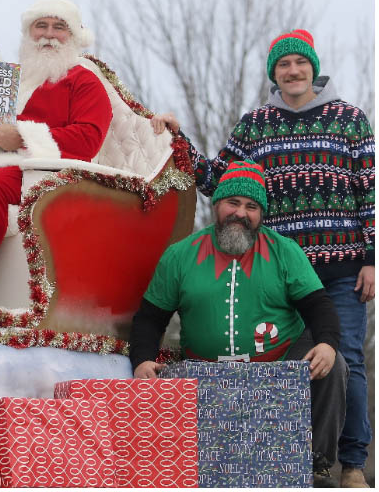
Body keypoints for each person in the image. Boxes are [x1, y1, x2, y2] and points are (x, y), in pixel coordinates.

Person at [150, 30, 373, 486]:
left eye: (299, 62)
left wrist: (372, 258)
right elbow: (219, 178)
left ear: (313, 67)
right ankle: (281, 456)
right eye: (283, 64)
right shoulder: (256, 124)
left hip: (339, 268)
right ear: (274, 73)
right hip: (279, 271)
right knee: (284, 363)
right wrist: (180, 141)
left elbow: (369, 191)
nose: (292, 71)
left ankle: (349, 464)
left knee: (342, 356)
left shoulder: (349, 119)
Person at [130, 160, 348, 482]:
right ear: (217, 204)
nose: (241, 213)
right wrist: (142, 360)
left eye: (251, 206)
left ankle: (315, 462)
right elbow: (150, 318)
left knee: (335, 365)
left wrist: (328, 345)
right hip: (206, 371)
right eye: (233, 203)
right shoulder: (180, 256)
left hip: (279, 361)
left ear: (261, 214)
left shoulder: (284, 251)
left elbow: (320, 306)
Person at [0, 0, 113, 302]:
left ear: (74, 36)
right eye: (41, 25)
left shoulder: (85, 82)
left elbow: (88, 139)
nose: (49, 34)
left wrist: (22, 137)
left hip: (48, 174)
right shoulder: (16, 79)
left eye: (58, 27)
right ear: (29, 32)